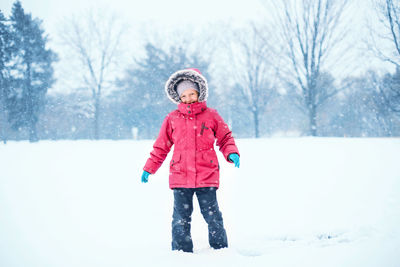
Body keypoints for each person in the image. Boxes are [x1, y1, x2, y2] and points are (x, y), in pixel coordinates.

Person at [141, 68, 240, 253]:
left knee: (212, 216)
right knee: (180, 217)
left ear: (199, 92)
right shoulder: (172, 119)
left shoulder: (211, 115)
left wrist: (231, 153)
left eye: (192, 94)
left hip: (206, 175)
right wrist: (149, 168)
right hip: (180, 176)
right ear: (178, 97)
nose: (188, 98)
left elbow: (225, 137)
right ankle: (181, 252)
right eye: (184, 95)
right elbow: (161, 146)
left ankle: (221, 250)